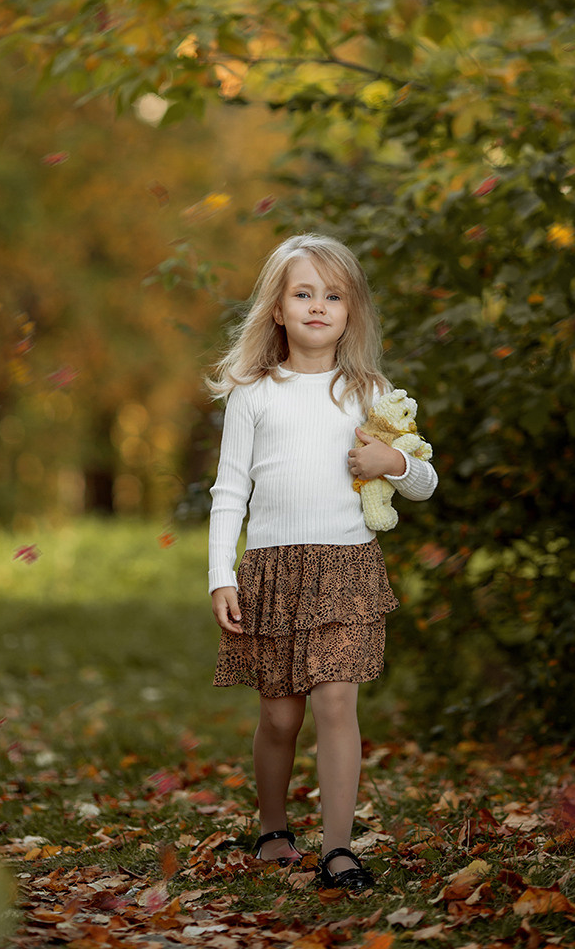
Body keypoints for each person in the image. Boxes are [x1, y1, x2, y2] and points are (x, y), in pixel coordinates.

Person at [206, 234, 437, 892]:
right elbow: (230, 492)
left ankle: (338, 849)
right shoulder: (254, 393)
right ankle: (274, 826)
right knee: (280, 714)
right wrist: (222, 573)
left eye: (332, 295)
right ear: (277, 309)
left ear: (351, 311)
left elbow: (423, 480)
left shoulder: (369, 391)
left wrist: (391, 463)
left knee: (336, 702)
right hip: (272, 571)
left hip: (347, 569)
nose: (317, 306)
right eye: (302, 293)